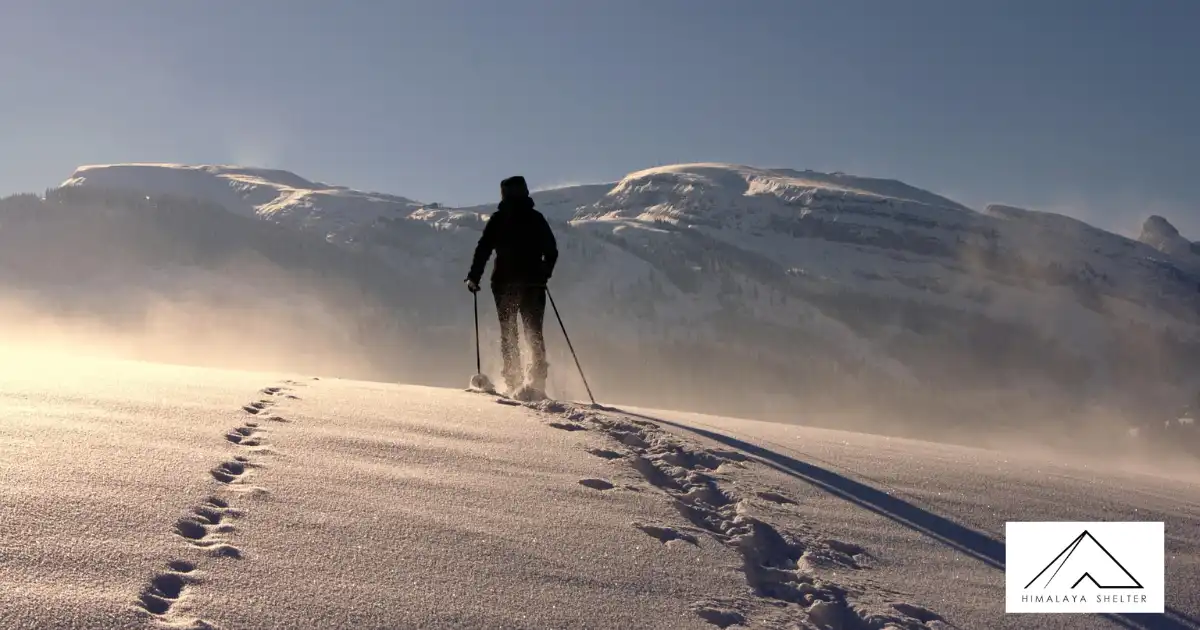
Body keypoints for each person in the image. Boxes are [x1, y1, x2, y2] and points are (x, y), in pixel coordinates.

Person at [465, 176, 558, 395]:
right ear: (525, 192)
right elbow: (551, 251)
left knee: (509, 333)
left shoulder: (498, 220)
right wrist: (545, 272)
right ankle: (537, 382)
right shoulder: (536, 219)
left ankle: (513, 380)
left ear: (503, 194)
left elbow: (483, 249)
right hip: (534, 284)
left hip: (503, 284)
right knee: (534, 331)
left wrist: (474, 277)